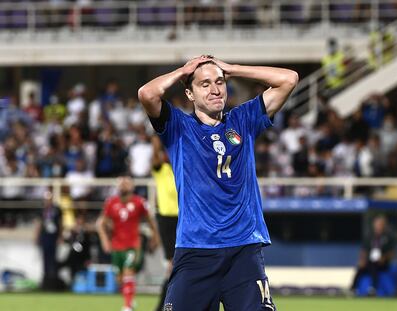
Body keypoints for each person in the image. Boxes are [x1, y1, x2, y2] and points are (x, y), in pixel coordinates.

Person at [138, 55, 298, 311]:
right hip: (196, 250)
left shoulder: (243, 120)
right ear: (190, 94)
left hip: (243, 249)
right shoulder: (178, 127)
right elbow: (147, 94)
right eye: (204, 84)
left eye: (220, 82)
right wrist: (183, 71)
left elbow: (289, 79)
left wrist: (233, 68)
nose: (215, 90)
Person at [96, 176, 160, 311]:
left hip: (133, 245)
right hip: (116, 246)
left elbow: (150, 220)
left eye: (126, 183)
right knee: (119, 279)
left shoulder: (139, 202)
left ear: (132, 186)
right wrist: (105, 240)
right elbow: (100, 223)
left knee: (128, 272)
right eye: (121, 183)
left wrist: (155, 237)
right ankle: (129, 299)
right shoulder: (111, 203)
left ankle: (127, 306)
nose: (123, 185)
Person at [151, 135, 179, 311]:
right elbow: (155, 157)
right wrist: (156, 142)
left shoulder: (179, 168)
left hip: (183, 218)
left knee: (177, 264)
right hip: (167, 219)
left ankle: (166, 304)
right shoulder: (161, 170)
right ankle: (164, 305)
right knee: (173, 265)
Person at [351, 214, 396, 295]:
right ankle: (353, 288)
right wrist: (362, 260)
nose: (378, 226)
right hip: (370, 261)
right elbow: (364, 250)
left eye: (380, 224)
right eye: (377, 224)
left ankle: (373, 288)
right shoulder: (370, 236)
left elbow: (392, 252)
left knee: (373, 266)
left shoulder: (388, 237)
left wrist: (384, 258)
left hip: (383, 263)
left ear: (384, 225)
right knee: (360, 269)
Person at [34, 190, 63, 290]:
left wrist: (60, 236)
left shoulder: (57, 210)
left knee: (53, 259)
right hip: (45, 237)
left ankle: (53, 281)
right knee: (45, 259)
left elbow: (60, 224)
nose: (48, 202)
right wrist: (36, 237)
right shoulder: (42, 210)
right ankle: (46, 281)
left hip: (53, 237)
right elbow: (39, 224)